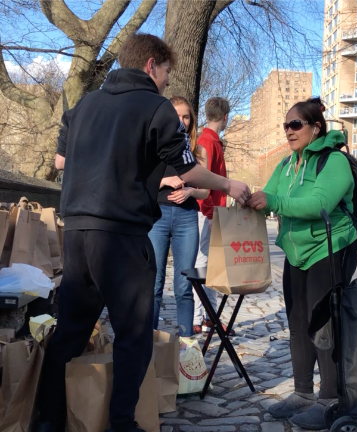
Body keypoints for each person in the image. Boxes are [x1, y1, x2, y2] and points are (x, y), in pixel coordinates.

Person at [37, 33, 250, 432]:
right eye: (167, 72)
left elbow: (62, 161)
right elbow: (188, 170)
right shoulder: (156, 107)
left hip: (78, 233)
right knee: (133, 336)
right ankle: (122, 423)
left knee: (69, 331)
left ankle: (46, 420)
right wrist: (228, 184)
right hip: (121, 239)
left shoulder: (84, 105)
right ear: (151, 65)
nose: (168, 81)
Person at [246, 101, 357, 430]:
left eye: (296, 124)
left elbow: (320, 204)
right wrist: (248, 199)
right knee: (297, 322)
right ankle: (302, 393)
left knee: (322, 323)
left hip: (330, 248)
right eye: (286, 125)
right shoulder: (287, 165)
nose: (289, 130)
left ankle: (330, 399)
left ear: (316, 127)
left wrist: (274, 202)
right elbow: (268, 195)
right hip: (296, 252)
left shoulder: (334, 161)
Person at [149, 96, 208, 337]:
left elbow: (205, 189)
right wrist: (163, 181)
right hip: (157, 216)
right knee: (153, 284)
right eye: (176, 116)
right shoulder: (155, 146)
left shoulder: (198, 149)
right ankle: (148, 344)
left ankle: (187, 347)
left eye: (186, 117)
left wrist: (191, 191)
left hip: (187, 218)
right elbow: (139, 180)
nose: (181, 122)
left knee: (185, 286)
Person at [193, 97, 233, 335]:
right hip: (207, 212)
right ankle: (200, 317)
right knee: (202, 263)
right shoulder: (207, 141)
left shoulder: (211, 141)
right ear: (225, 116)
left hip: (213, 212)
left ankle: (210, 316)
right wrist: (209, 212)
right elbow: (204, 180)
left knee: (211, 263)